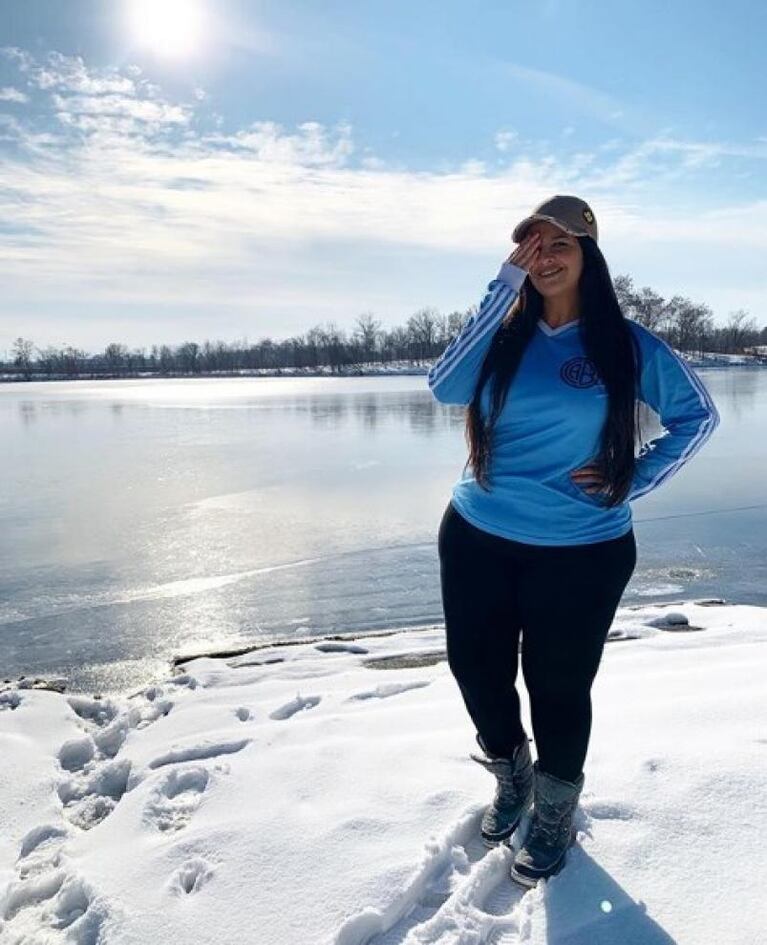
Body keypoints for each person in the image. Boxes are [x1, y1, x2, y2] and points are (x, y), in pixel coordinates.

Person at [427, 195, 720, 888]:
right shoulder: (503, 333)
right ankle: (511, 774)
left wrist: (630, 479)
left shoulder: (625, 343)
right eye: (532, 244)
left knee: (556, 685)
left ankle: (554, 808)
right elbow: (443, 387)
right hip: (475, 535)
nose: (546, 255)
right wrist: (500, 288)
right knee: (476, 670)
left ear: (588, 256)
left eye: (561, 243)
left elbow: (696, 416)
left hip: (581, 550)